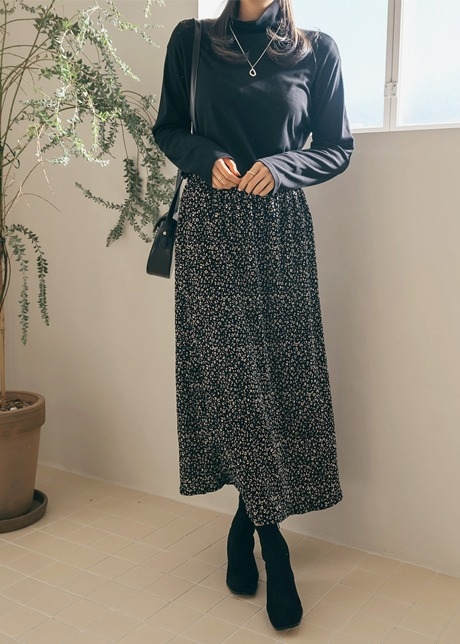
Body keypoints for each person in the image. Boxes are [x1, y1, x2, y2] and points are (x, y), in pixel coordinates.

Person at [152, 0, 353, 631]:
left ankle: (244, 520)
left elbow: (338, 147)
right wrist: (204, 156)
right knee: (235, 383)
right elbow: (168, 128)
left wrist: (282, 166)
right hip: (211, 232)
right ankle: (274, 545)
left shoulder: (317, 50)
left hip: (280, 234)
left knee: (279, 381)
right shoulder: (192, 41)